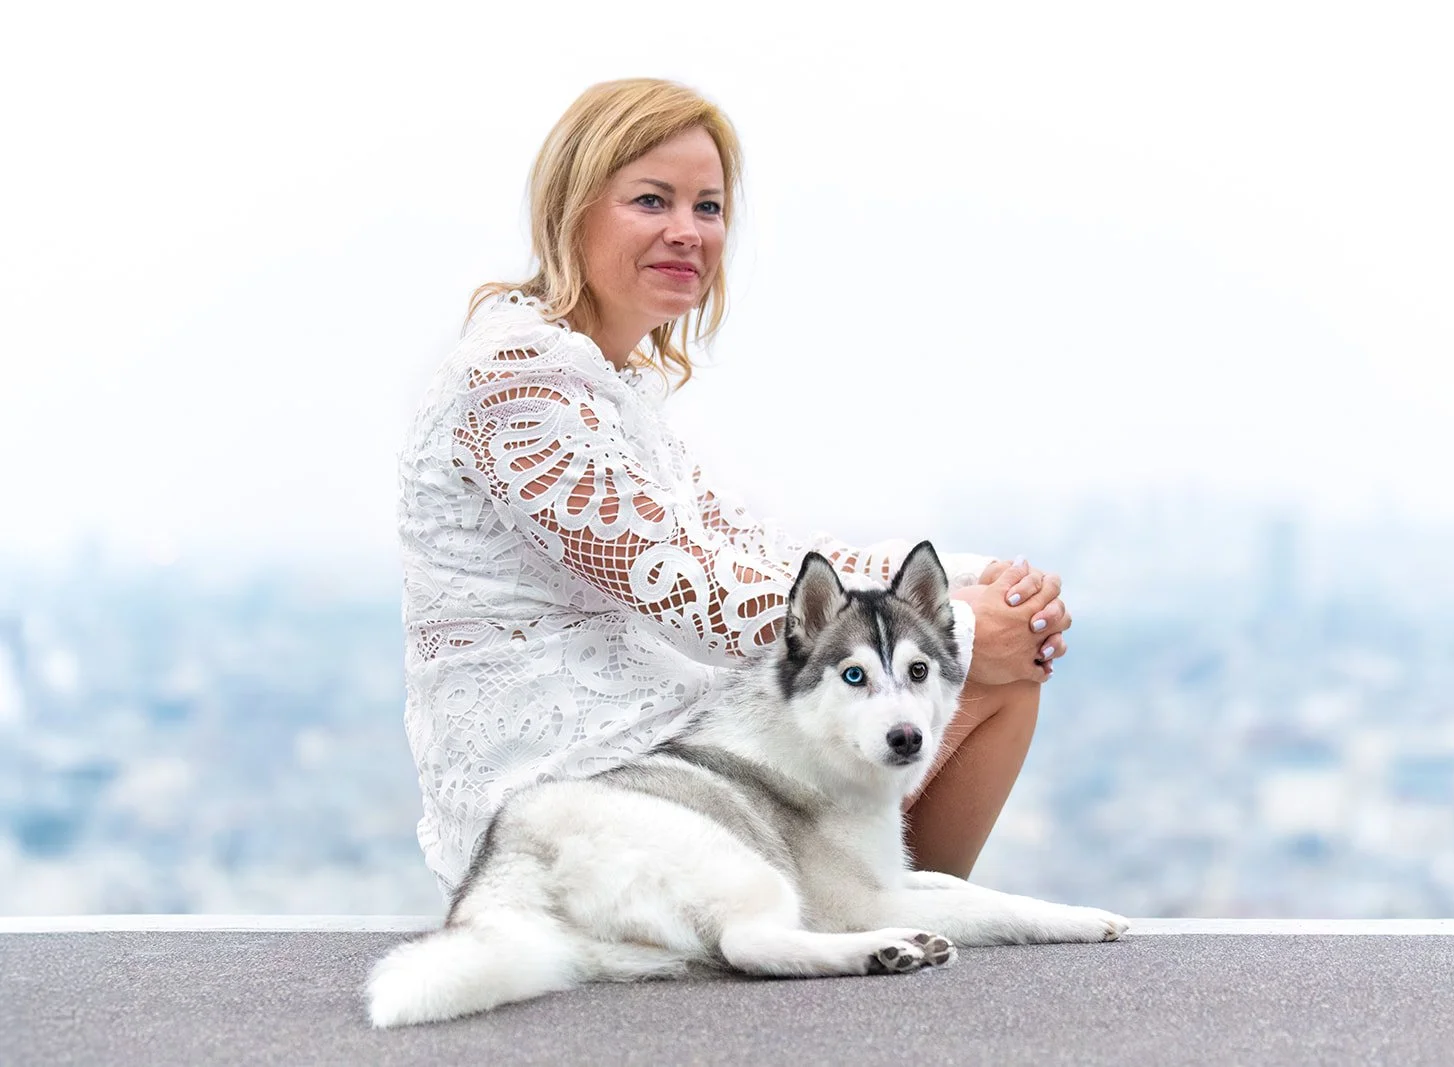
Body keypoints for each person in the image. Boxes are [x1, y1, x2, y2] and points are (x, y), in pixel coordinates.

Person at [396, 78, 1072, 903]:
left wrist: (974, 580)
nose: (688, 231)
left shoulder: (609, 385)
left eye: (708, 207)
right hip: (581, 805)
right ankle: (871, 916)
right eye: (652, 200)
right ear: (573, 210)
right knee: (966, 674)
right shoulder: (518, 377)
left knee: (1001, 680)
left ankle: (876, 915)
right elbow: (700, 595)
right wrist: (957, 628)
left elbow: (755, 551)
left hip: (668, 762)